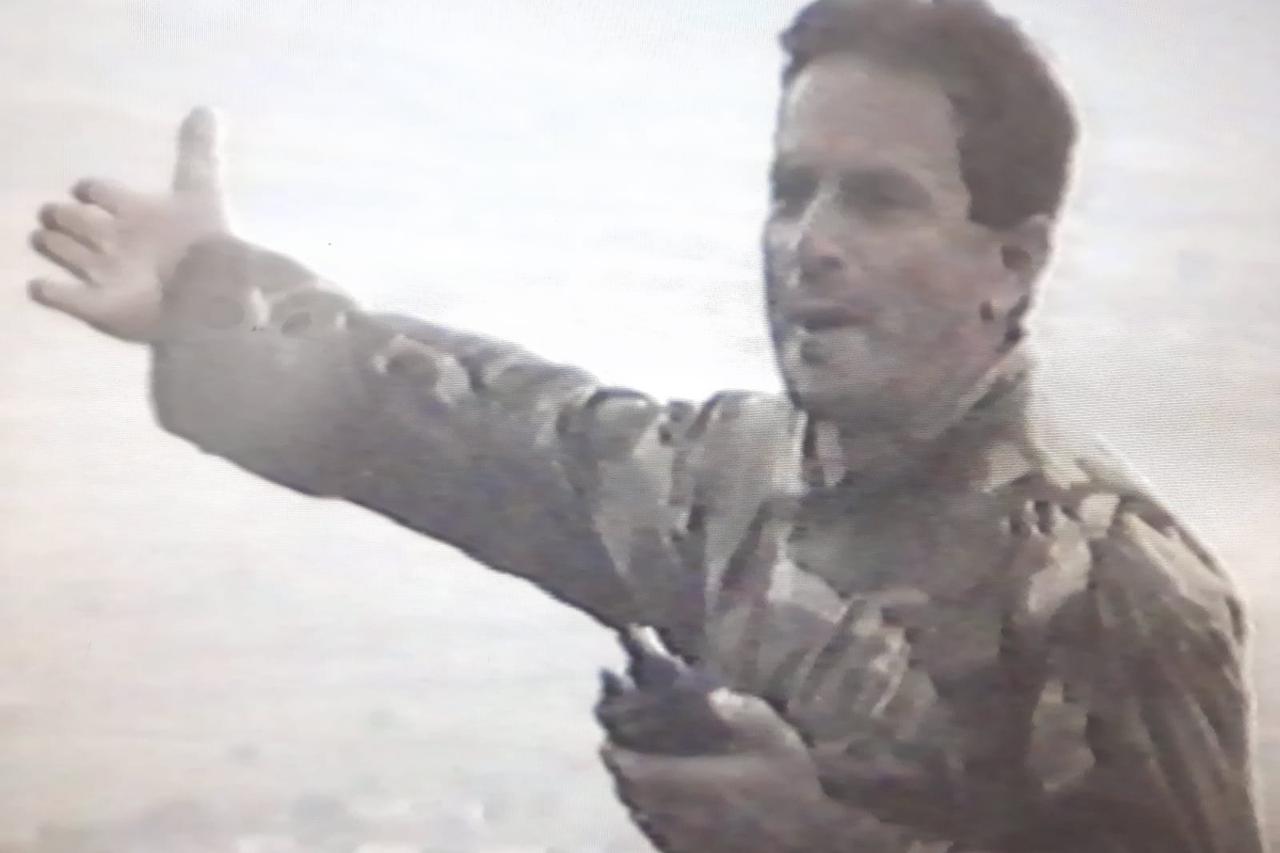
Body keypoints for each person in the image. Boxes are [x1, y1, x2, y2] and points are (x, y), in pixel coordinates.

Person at [27, 0, 1263, 850]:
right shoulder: (734, 475)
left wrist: (815, 843)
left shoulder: (1109, 584)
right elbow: (487, 428)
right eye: (789, 191)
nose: (808, 244)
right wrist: (209, 294)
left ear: (1011, 260)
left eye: (877, 201)